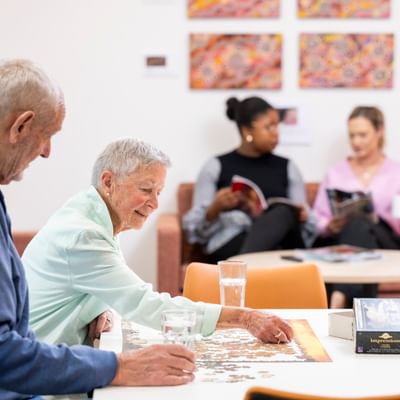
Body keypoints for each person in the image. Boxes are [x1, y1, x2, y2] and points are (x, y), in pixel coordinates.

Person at [0, 59, 202, 400]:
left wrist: (94, 308)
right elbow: (5, 355)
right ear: (21, 126)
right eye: (47, 135)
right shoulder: (84, 231)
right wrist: (118, 367)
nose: (47, 151)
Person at [23, 137, 293, 350]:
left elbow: (82, 284)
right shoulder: (84, 235)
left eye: (159, 192)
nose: (154, 203)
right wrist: (245, 318)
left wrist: (98, 306)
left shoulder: (91, 216)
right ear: (108, 182)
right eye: (145, 190)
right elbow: (146, 305)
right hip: (42, 383)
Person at [183, 96, 316, 263]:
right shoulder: (216, 166)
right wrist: (214, 208)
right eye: (269, 127)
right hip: (234, 242)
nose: (276, 133)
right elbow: (192, 229)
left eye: (277, 126)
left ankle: (240, 271)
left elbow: (308, 226)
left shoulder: (288, 167)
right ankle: (247, 267)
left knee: (283, 213)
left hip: (281, 244)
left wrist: (303, 215)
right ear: (247, 131)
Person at [312, 106, 400, 308]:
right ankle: (358, 308)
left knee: (361, 222)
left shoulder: (397, 172)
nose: (356, 142)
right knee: (356, 225)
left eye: (363, 135)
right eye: (352, 135)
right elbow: (318, 216)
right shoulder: (336, 172)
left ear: (380, 132)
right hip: (343, 238)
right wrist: (328, 226)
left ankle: (338, 300)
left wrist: (380, 220)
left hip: (386, 241)